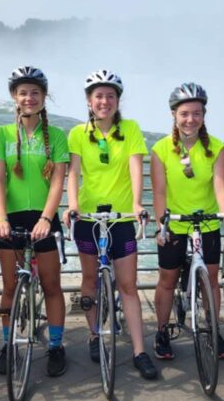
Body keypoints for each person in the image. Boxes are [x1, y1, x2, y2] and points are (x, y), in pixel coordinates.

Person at [64, 69, 157, 380]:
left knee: (128, 286)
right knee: (90, 279)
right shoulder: (78, 133)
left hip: (121, 218)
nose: (104, 101)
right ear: (89, 101)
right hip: (88, 218)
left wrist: (137, 204)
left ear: (118, 100)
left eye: (110, 96)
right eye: (99, 96)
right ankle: (94, 334)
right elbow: (73, 173)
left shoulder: (130, 129)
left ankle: (139, 351)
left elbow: (135, 168)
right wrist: (73, 205)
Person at [0, 66, 70, 377]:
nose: (29, 98)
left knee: (51, 285)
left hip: (44, 218)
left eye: (35, 92)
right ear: (14, 96)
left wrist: (47, 218)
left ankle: (56, 346)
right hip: (10, 219)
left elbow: (58, 182)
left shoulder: (57, 136)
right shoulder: (2, 135)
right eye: (23, 92)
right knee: (10, 286)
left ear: (44, 96)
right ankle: (8, 344)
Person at [150, 83, 224, 360]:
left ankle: (213, 330)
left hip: (206, 222)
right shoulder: (161, 149)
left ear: (204, 115)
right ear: (174, 115)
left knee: (212, 279)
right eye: (184, 114)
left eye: (196, 113)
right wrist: (161, 226)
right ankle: (161, 331)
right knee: (167, 279)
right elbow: (159, 192)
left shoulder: (216, 148)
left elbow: (221, 188)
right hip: (175, 223)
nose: (190, 119)